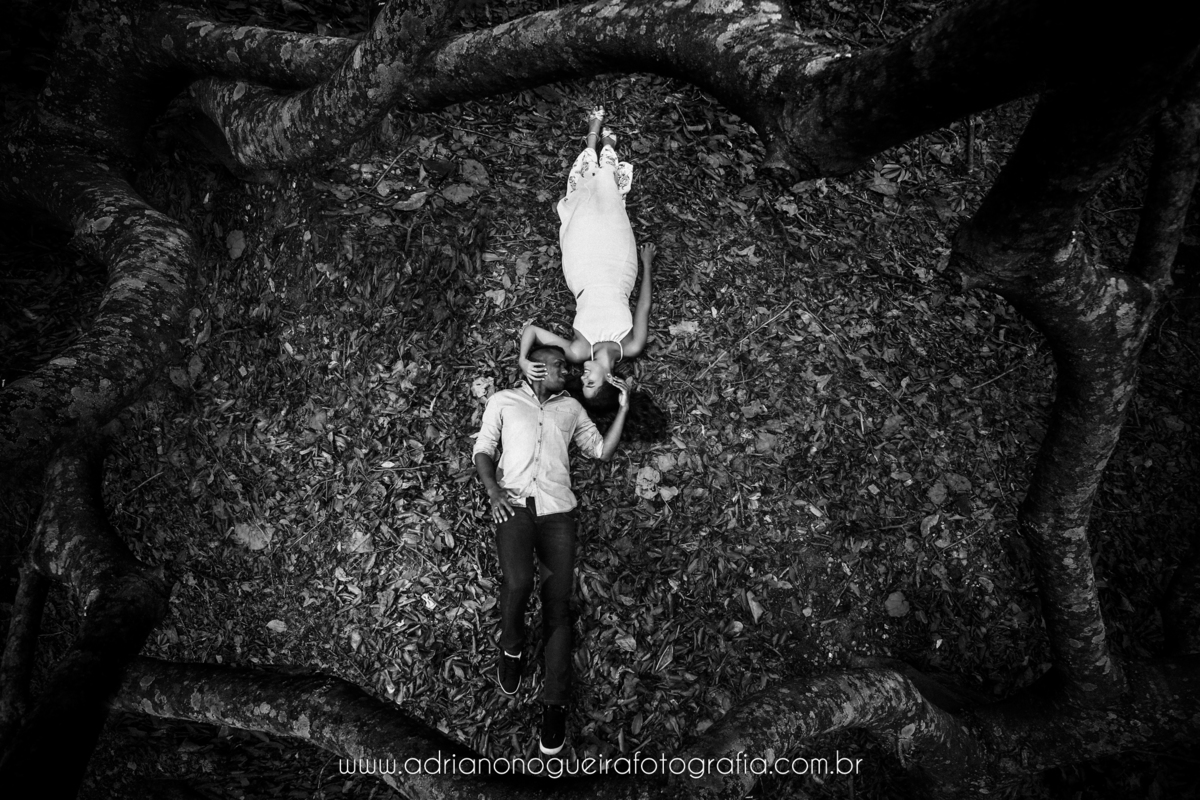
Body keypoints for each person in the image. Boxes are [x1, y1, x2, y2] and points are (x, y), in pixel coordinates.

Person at [472, 344, 631, 756]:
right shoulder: (504, 401)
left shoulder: (571, 408)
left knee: (557, 605)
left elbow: (600, 450)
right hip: (514, 505)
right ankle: (511, 645)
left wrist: (623, 408)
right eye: (561, 366)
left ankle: (555, 704)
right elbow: (484, 449)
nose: (570, 372)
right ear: (540, 368)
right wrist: (493, 491)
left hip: (558, 514)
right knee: (519, 581)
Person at [519, 106, 656, 404]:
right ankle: (606, 149)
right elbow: (643, 307)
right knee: (609, 204)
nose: (582, 377)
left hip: (581, 268)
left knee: (582, 208)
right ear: (611, 380)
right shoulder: (631, 347)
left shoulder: (579, 351)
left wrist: (523, 360)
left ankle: (593, 140)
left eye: (583, 384)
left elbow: (532, 330)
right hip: (620, 269)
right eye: (590, 383)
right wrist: (647, 265)